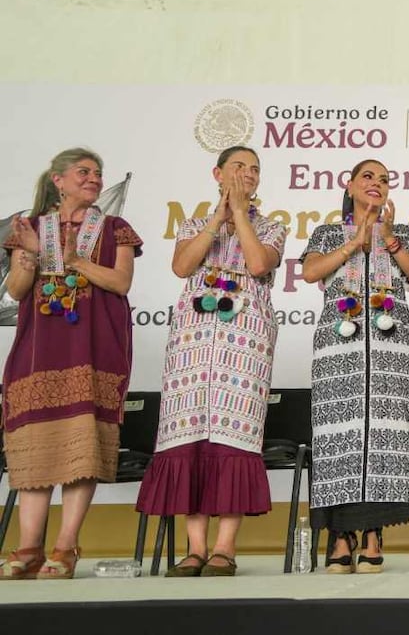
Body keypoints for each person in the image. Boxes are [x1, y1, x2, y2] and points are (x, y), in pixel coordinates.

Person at [135, 146, 286, 577]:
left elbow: (258, 264)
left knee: (231, 440)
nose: (248, 174)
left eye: (255, 169)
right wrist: (219, 218)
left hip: (245, 342)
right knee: (188, 441)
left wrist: (240, 215)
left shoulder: (272, 228)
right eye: (239, 167)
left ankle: (225, 547)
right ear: (217, 173)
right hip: (191, 342)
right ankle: (195, 547)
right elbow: (183, 266)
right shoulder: (193, 224)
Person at [0, 148, 142, 580]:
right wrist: (28, 256)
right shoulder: (31, 228)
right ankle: (27, 548)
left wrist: (73, 260)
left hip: (95, 348)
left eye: (98, 174)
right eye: (84, 172)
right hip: (39, 350)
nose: (94, 179)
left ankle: (65, 548)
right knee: (34, 447)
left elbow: (119, 282)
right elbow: (18, 291)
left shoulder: (114, 228)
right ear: (57, 180)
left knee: (84, 448)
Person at [300, 159, 409, 574]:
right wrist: (354, 242)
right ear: (350, 184)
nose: (377, 184)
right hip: (339, 348)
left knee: (384, 440)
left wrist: (389, 241)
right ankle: (340, 536)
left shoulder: (403, 232)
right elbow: (310, 272)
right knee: (342, 440)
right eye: (368, 177)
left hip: (395, 348)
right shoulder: (327, 232)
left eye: (385, 179)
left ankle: (373, 534)